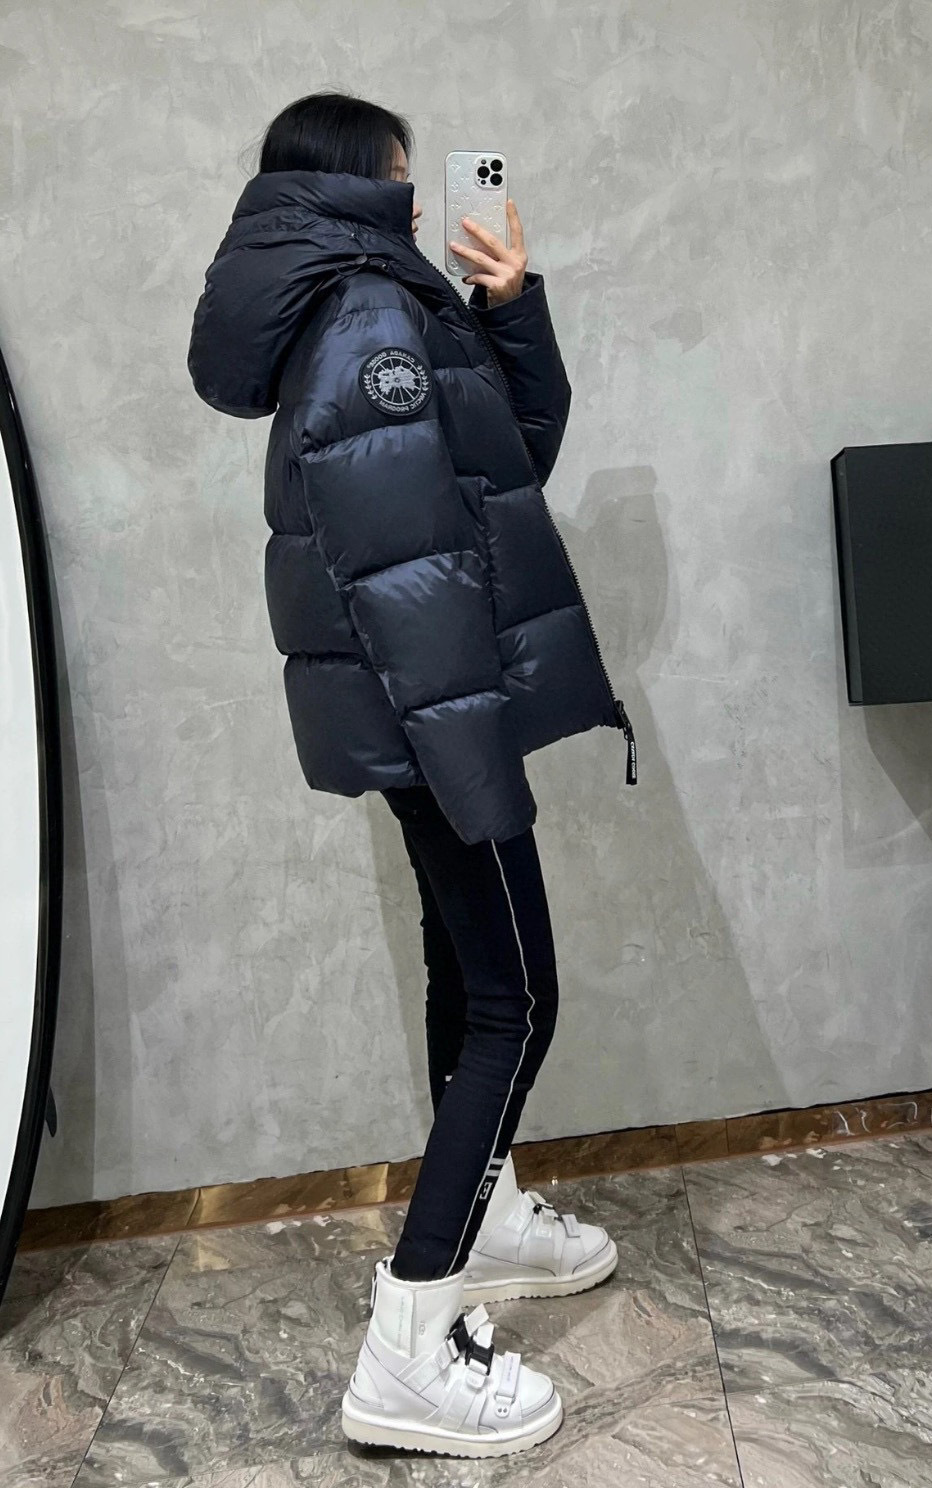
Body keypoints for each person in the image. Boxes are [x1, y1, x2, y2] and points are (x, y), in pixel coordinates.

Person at [187, 91, 636, 1459]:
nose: (424, 195)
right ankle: (409, 1347)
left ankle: (482, 1216)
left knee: (469, 970)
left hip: (425, 706)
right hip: (436, 710)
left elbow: (508, 462)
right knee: (519, 999)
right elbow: (404, 572)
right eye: (402, 171)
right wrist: (466, 753)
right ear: (359, 181)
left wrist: (513, 306)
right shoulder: (370, 310)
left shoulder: (367, 297)